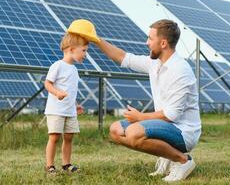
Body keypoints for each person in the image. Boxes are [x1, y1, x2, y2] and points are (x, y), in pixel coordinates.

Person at [95, 19, 201, 182]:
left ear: (163, 43)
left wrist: (139, 117)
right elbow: (124, 58)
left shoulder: (180, 70)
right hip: (165, 125)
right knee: (115, 130)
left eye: (151, 39)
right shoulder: (155, 63)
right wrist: (96, 39)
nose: (147, 42)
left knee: (134, 132)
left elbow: (171, 115)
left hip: (183, 131)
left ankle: (182, 161)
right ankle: (167, 156)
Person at [44, 19, 96, 174]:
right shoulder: (57, 65)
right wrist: (57, 93)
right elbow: (47, 84)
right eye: (84, 51)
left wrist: (75, 105)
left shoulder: (74, 70)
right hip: (56, 110)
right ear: (72, 49)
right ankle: (50, 166)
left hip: (69, 110)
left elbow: (71, 91)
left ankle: (66, 164)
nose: (86, 55)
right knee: (54, 137)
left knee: (69, 137)